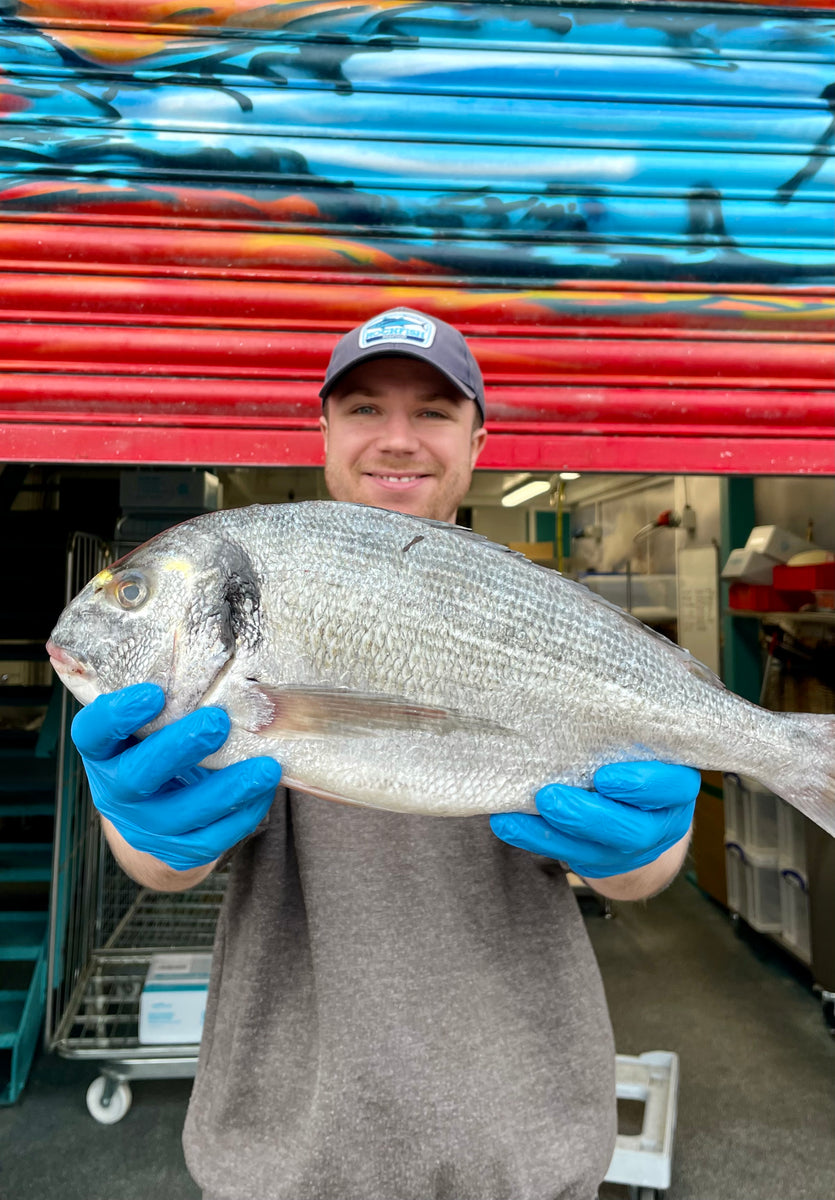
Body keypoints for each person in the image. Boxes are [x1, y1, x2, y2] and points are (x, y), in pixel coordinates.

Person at [72, 307, 698, 1200]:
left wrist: (644, 849)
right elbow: (163, 866)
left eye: (432, 412)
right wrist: (142, 827)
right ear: (324, 432)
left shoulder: (551, 616)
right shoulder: (250, 613)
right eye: (364, 408)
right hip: (290, 1151)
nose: (397, 439)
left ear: (476, 441)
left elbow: (639, 872)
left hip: (521, 1142)